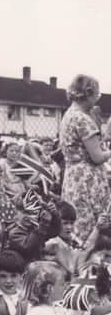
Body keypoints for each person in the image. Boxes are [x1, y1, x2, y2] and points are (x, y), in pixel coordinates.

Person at [60, 74, 111, 242]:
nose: (97, 99)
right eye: (97, 95)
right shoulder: (83, 119)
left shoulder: (68, 115)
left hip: (73, 177)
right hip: (88, 179)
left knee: (77, 223)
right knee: (93, 225)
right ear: (88, 94)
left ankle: (77, 258)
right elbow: (97, 157)